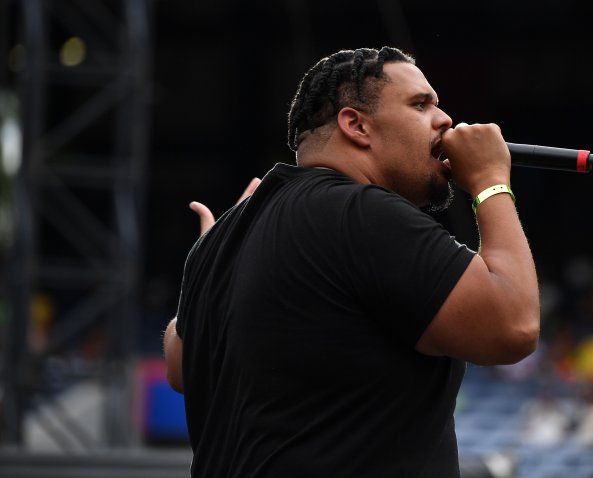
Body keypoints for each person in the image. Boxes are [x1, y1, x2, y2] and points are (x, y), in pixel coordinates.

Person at [162, 47, 540, 477]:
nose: (445, 120)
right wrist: (491, 183)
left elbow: (181, 369)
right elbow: (514, 326)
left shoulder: (223, 237)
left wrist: (205, 263)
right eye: (421, 105)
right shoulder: (359, 211)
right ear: (356, 125)